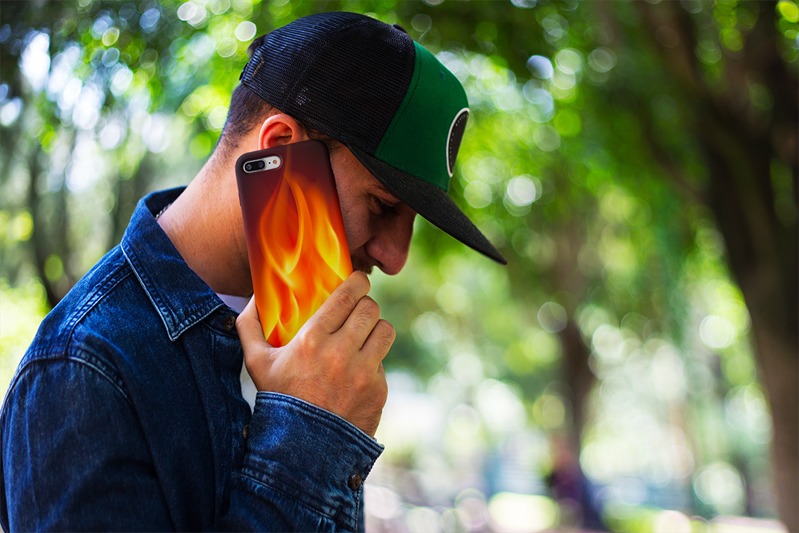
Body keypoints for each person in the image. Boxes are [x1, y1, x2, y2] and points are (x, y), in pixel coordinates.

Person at [0, 11, 506, 531]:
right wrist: (310, 432)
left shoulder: (310, 346)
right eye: (382, 205)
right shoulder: (82, 368)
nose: (395, 258)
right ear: (280, 146)